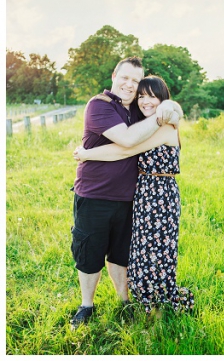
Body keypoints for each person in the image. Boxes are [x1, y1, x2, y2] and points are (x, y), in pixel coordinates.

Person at [70, 57, 181, 328]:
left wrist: (171, 105)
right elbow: (129, 141)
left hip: (133, 198)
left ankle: (124, 300)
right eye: (126, 78)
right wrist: (165, 110)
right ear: (114, 76)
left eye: (136, 81)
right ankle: (87, 305)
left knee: (122, 254)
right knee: (90, 253)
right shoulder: (99, 105)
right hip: (95, 195)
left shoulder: (136, 111)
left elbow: (136, 141)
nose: (130, 85)